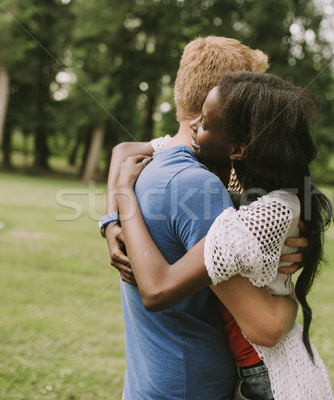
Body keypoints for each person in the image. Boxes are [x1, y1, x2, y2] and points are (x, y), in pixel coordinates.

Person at [100, 37, 304, 400]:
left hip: (151, 379)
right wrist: (293, 302)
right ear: (225, 102)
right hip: (191, 383)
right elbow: (265, 325)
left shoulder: (152, 164)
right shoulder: (198, 186)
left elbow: (122, 149)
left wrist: (112, 218)